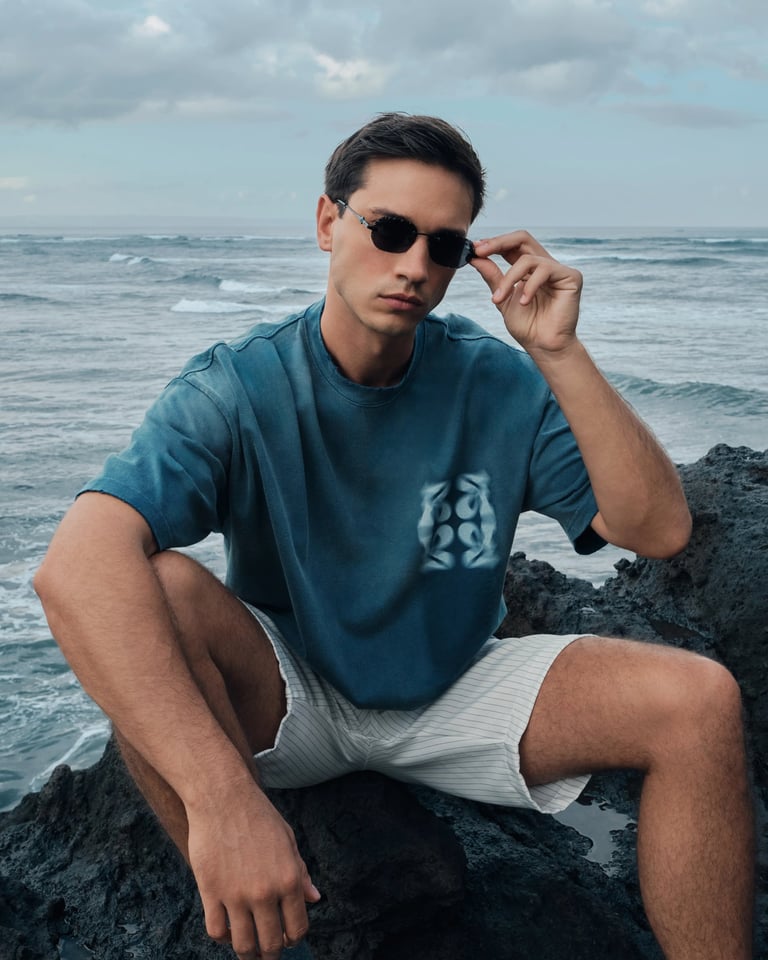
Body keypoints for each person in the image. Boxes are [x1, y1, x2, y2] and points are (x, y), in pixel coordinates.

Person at [34, 113, 754, 960]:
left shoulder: (495, 381)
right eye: (390, 230)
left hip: (457, 687)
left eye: (444, 246)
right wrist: (225, 804)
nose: (414, 265)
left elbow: (657, 529)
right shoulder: (239, 385)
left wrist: (558, 353)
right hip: (291, 691)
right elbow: (73, 568)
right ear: (328, 222)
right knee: (156, 587)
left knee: (700, 703)